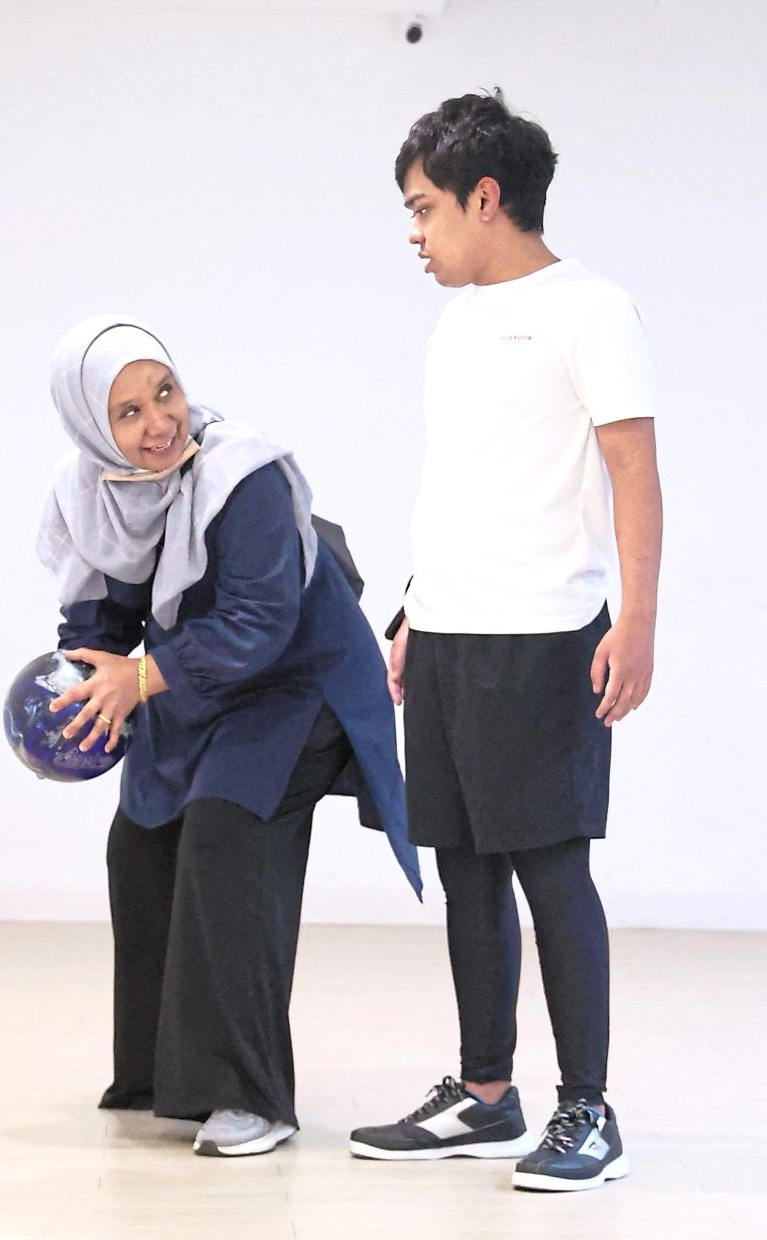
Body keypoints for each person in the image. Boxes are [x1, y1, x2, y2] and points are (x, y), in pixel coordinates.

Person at [349, 91, 662, 1192]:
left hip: (543, 640)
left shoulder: (591, 310)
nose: (414, 233)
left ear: (488, 199)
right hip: (445, 633)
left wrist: (637, 617)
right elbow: (463, 485)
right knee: (465, 866)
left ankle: (589, 1110)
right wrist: (408, 609)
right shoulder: (458, 320)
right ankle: (488, 1093)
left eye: (424, 208)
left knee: (550, 871)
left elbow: (634, 471)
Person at [37, 314, 421, 1158]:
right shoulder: (88, 490)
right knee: (139, 843)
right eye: (128, 412)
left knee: (224, 837)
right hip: (197, 682)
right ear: (93, 426)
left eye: (164, 392)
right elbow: (101, 613)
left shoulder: (241, 474)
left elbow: (259, 620)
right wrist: (73, 700)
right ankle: (157, 1076)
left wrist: (135, 679)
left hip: (295, 679)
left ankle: (253, 1097)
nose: (159, 422)